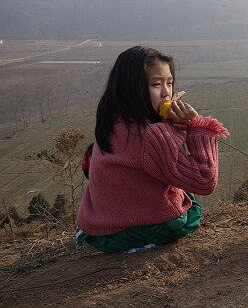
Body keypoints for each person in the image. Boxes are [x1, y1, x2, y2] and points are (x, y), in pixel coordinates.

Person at [76, 46, 228, 252]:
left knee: (179, 191)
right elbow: (204, 180)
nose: (167, 93)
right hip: (127, 233)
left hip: (97, 230)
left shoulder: (113, 122)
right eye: (156, 84)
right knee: (191, 208)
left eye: (169, 83)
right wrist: (196, 127)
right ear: (132, 88)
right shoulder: (149, 134)